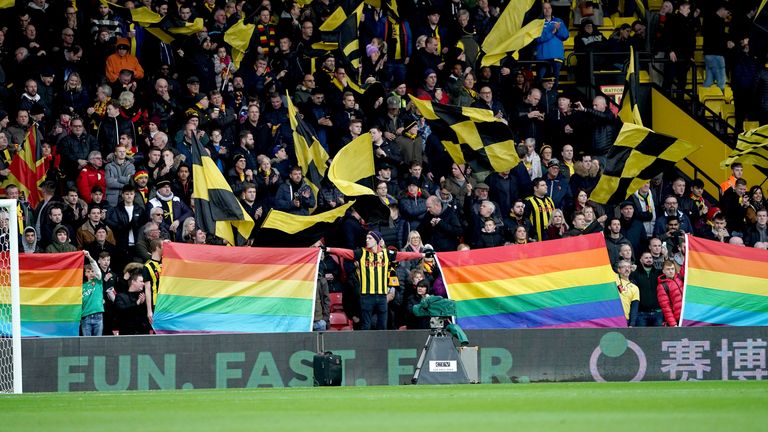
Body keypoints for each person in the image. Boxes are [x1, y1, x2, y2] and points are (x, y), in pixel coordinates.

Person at [324, 231, 427, 330]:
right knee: (366, 326)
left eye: (370, 238)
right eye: (366, 238)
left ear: (377, 240)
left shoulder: (387, 253)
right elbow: (345, 252)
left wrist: (422, 255)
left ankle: (381, 348)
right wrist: (328, 249)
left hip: (382, 297)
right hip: (366, 296)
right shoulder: (361, 253)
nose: (367, 240)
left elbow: (405, 255)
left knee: (382, 326)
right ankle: (366, 347)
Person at [631, 251, 663, 327]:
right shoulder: (634, 274)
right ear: (641, 260)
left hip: (657, 312)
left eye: (650, 258)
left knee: (659, 338)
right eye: (646, 258)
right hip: (641, 314)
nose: (649, 259)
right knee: (642, 338)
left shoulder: (659, 273)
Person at [524, 177, 555, 242]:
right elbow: (526, 220)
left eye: (546, 185)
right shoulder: (528, 201)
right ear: (535, 188)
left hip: (551, 236)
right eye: (542, 185)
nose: (546, 187)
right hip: (537, 237)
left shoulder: (549, 200)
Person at [81, 250, 104, 336]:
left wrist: (89, 257)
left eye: (92, 271)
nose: (91, 273)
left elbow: (97, 269)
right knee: (87, 344)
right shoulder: (81, 286)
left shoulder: (98, 281)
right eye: (88, 271)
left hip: (98, 316)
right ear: (84, 274)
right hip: (85, 317)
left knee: (98, 344)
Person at [657, 259, 684, 327]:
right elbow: (666, 308)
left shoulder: (680, 278)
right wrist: (673, 324)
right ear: (663, 271)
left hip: (687, 316)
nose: (671, 271)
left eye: (672, 269)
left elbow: (685, 267)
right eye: (668, 269)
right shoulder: (662, 286)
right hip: (677, 320)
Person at [616, 260, 639, 327]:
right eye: (624, 267)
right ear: (619, 270)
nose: (627, 269)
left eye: (629, 267)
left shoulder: (635, 288)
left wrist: (632, 323)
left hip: (625, 320)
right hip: (612, 318)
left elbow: (634, 307)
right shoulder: (613, 280)